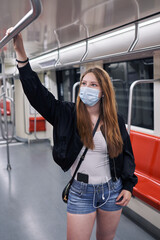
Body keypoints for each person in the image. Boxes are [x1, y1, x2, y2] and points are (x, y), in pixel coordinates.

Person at [6, 28, 138, 240]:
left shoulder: (116, 120)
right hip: (80, 191)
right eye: (84, 83)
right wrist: (21, 56)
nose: (86, 88)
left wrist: (129, 186)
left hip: (112, 190)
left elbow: (126, 155)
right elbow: (37, 95)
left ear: (103, 92)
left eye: (93, 85)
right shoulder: (66, 113)